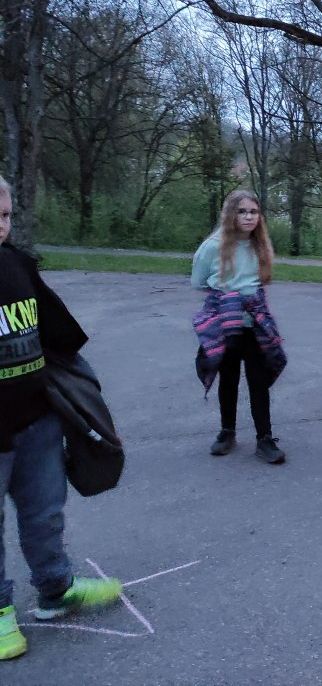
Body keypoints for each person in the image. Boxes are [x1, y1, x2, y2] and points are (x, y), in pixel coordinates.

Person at [0, 176, 123, 661]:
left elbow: (61, 336)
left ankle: (56, 589)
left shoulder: (16, 265)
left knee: (44, 512)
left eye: (5, 215)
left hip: (36, 420)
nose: (0, 226)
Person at [191, 190, 287, 464]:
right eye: (242, 211)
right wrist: (229, 299)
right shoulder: (213, 246)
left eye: (253, 212)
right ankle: (227, 432)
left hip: (254, 323)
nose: (248, 217)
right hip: (224, 322)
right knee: (228, 377)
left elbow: (261, 281)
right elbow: (197, 282)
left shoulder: (260, 245)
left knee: (258, 379)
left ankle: (264, 439)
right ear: (230, 214)